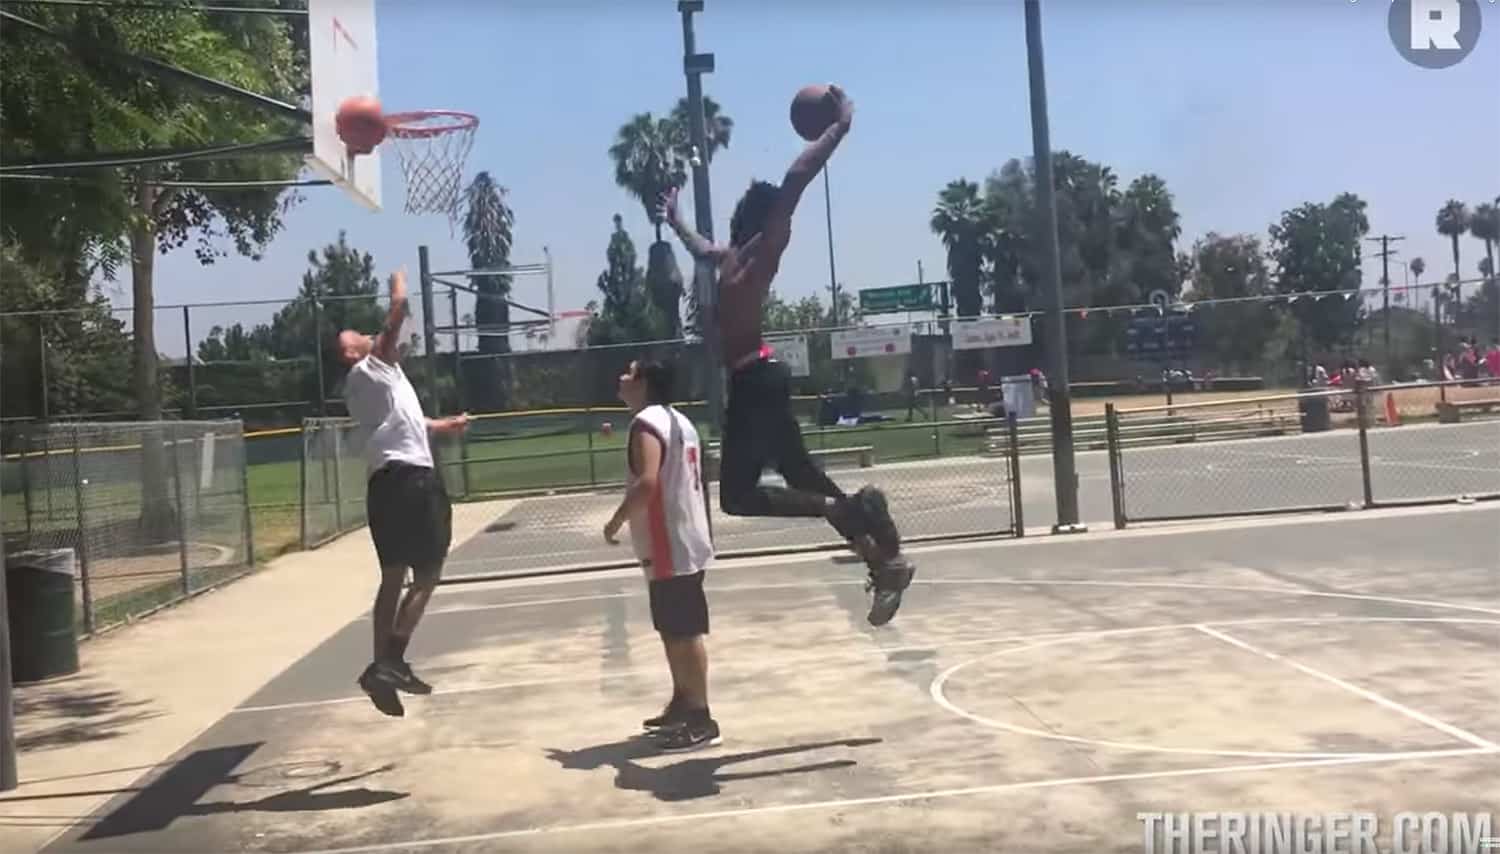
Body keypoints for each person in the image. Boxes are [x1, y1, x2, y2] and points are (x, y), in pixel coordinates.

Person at [658, 84, 915, 627]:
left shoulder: (761, 249)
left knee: (738, 497)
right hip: (758, 381)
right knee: (802, 473)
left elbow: (797, 179)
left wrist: (838, 127)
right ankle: (883, 556)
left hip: (756, 382)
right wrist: (675, 217)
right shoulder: (726, 257)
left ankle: (845, 513)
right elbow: (697, 246)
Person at [336, 268, 471, 718]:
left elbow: (403, 422)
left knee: (392, 575)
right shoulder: (375, 363)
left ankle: (380, 666)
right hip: (414, 480)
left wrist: (441, 426)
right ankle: (392, 657)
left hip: (384, 484)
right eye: (363, 337)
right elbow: (394, 319)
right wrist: (398, 288)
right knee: (428, 574)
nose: (373, 337)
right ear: (356, 351)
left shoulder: (370, 385)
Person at [603, 358, 720, 751]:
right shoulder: (681, 421)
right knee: (673, 628)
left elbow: (648, 482)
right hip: (685, 537)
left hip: (669, 541)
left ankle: (701, 717)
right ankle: (683, 702)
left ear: (644, 383)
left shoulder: (647, 424)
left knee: (684, 631)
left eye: (629, 372)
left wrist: (616, 519)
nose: (621, 376)